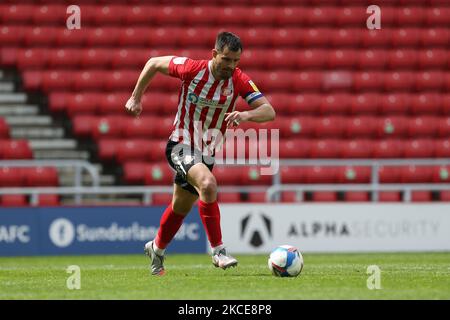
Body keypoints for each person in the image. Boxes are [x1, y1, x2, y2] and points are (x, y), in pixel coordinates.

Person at [125, 31, 276, 276]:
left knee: (179, 208)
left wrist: (245, 115)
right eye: (226, 60)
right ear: (214, 54)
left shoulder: (238, 80)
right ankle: (218, 251)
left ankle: (157, 249)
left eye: (236, 61)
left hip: (206, 153)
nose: (231, 66)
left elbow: (269, 111)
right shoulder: (192, 69)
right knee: (207, 184)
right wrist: (136, 97)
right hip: (180, 144)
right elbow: (153, 63)